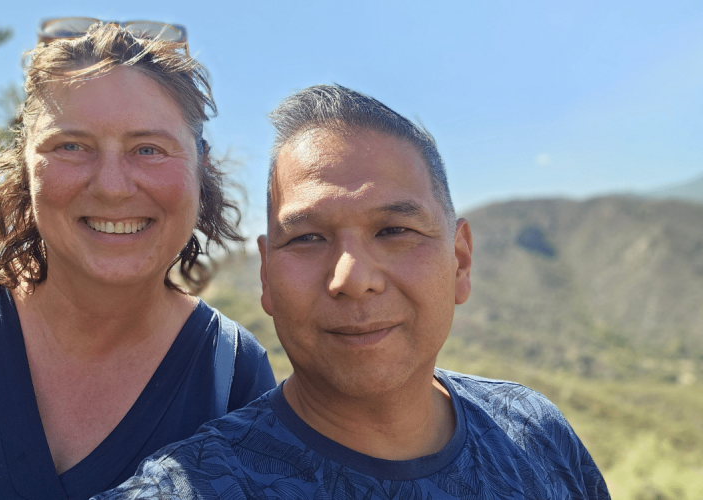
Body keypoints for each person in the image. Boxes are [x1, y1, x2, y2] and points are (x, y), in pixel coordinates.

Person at [93, 84, 610, 499]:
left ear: (460, 260)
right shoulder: (198, 485)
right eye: (308, 238)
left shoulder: (535, 431)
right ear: (267, 278)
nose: (352, 277)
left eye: (394, 231)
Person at [0, 20, 276, 499]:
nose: (111, 185)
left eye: (148, 149)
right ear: (25, 163)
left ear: (200, 167)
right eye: (71, 146)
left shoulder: (232, 374)